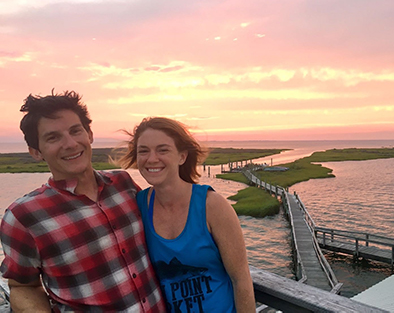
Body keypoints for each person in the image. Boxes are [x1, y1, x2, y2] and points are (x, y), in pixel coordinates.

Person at [0, 91, 166, 312]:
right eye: (53, 137)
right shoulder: (24, 217)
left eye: (75, 131)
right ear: (35, 152)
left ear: (89, 134)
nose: (70, 144)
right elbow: (23, 286)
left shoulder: (123, 184)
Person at [118, 117, 256, 312]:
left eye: (163, 149)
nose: (152, 158)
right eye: (143, 151)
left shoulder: (212, 206)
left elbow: (241, 279)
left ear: (182, 156)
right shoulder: (138, 205)